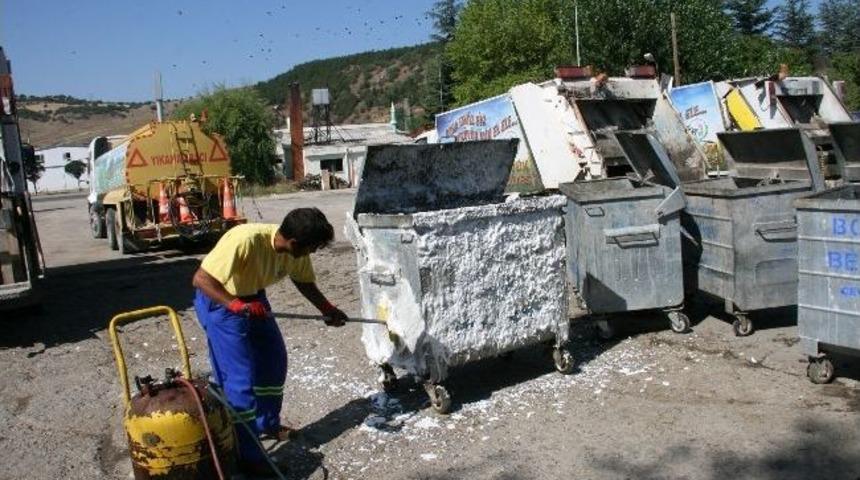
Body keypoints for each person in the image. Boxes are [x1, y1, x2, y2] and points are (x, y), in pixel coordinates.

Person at [192, 207, 348, 475]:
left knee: (273, 362)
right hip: (220, 302)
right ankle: (249, 456)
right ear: (294, 243)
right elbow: (201, 280)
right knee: (239, 382)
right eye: (312, 248)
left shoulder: (295, 250)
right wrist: (235, 305)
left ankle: (266, 424)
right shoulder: (244, 240)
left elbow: (304, 282)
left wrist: (327, 309)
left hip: (253, 299)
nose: (312, 253)